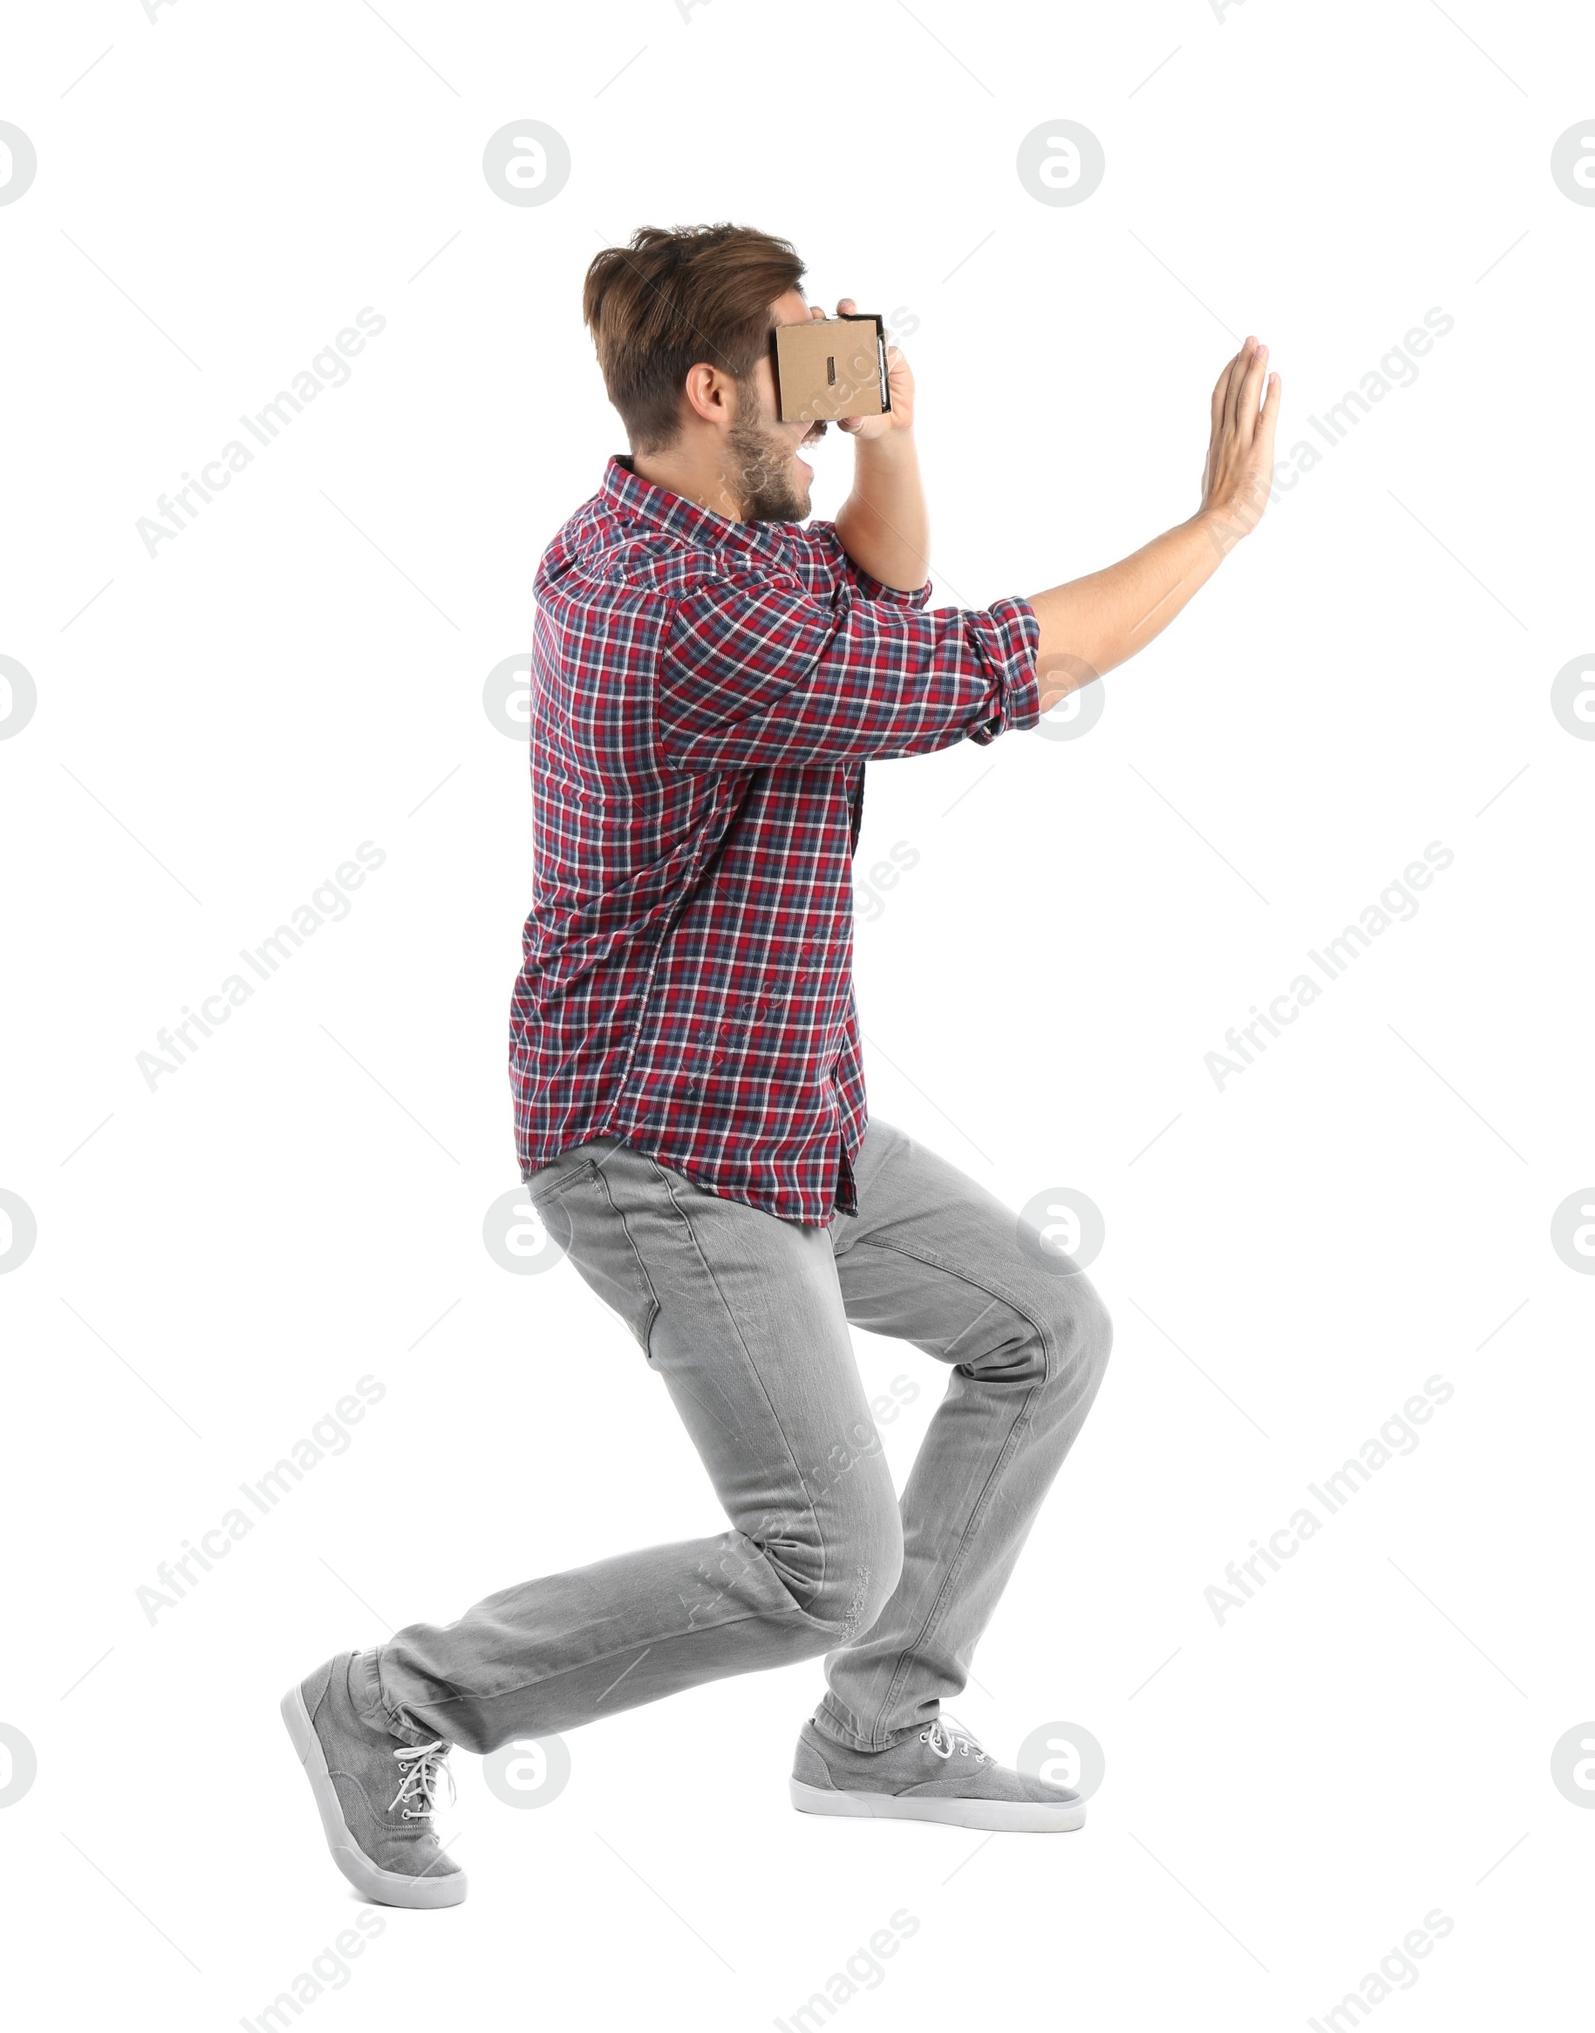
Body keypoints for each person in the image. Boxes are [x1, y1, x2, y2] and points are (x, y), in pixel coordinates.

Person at [283, 224, 1280, 1908]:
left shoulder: (681, 521)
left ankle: (880, 1731)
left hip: (778, 1105)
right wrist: (1222, 525)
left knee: (1045, 1331)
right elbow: (996, 662)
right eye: (802, 371)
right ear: (710, 389)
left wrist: (884, 435)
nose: (826, 396)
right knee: (827, 1563)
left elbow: (880, 581)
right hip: (659, 1144)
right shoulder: (694, 609)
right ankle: (395, 1702)